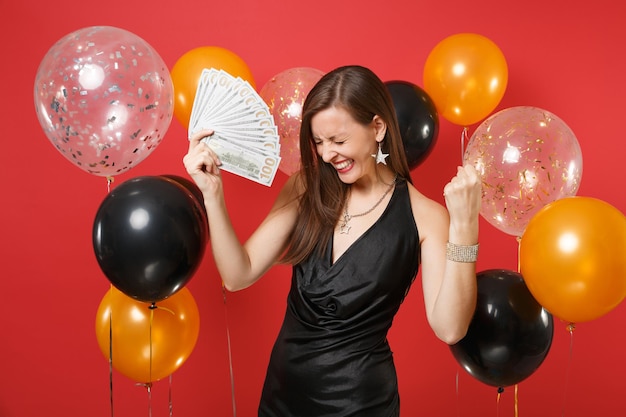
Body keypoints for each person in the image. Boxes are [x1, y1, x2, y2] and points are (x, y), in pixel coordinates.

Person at [183, 65, 482, 417]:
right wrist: (212, 192)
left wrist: (465, 225)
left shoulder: (425, 216)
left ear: (378, 127)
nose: (327, 155)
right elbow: (237, 275)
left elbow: (449, 328)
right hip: (283, 396)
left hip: (359, 403)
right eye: (319, 142)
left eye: (338, 141)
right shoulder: (305, 187)